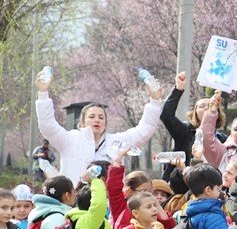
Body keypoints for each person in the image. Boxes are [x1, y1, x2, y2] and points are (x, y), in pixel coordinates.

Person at [35, 72, 164, 183]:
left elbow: (145, 130)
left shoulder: (117, 141)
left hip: (108, 206)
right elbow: (48, 126)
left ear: (105, 123)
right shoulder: (71, 139)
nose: (97, 120)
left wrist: (155, 101)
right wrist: (43, 93)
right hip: (74, 204)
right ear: (83, 122)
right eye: (92, 117)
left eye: (101, 117)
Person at [160, 71, 228, 180]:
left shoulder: (222, 139)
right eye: (202, 106)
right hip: (182, 184)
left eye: (210, 105)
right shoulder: (185, 132)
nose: (207, 108)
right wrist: (178, 89)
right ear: (195, 112)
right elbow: (166, 115)